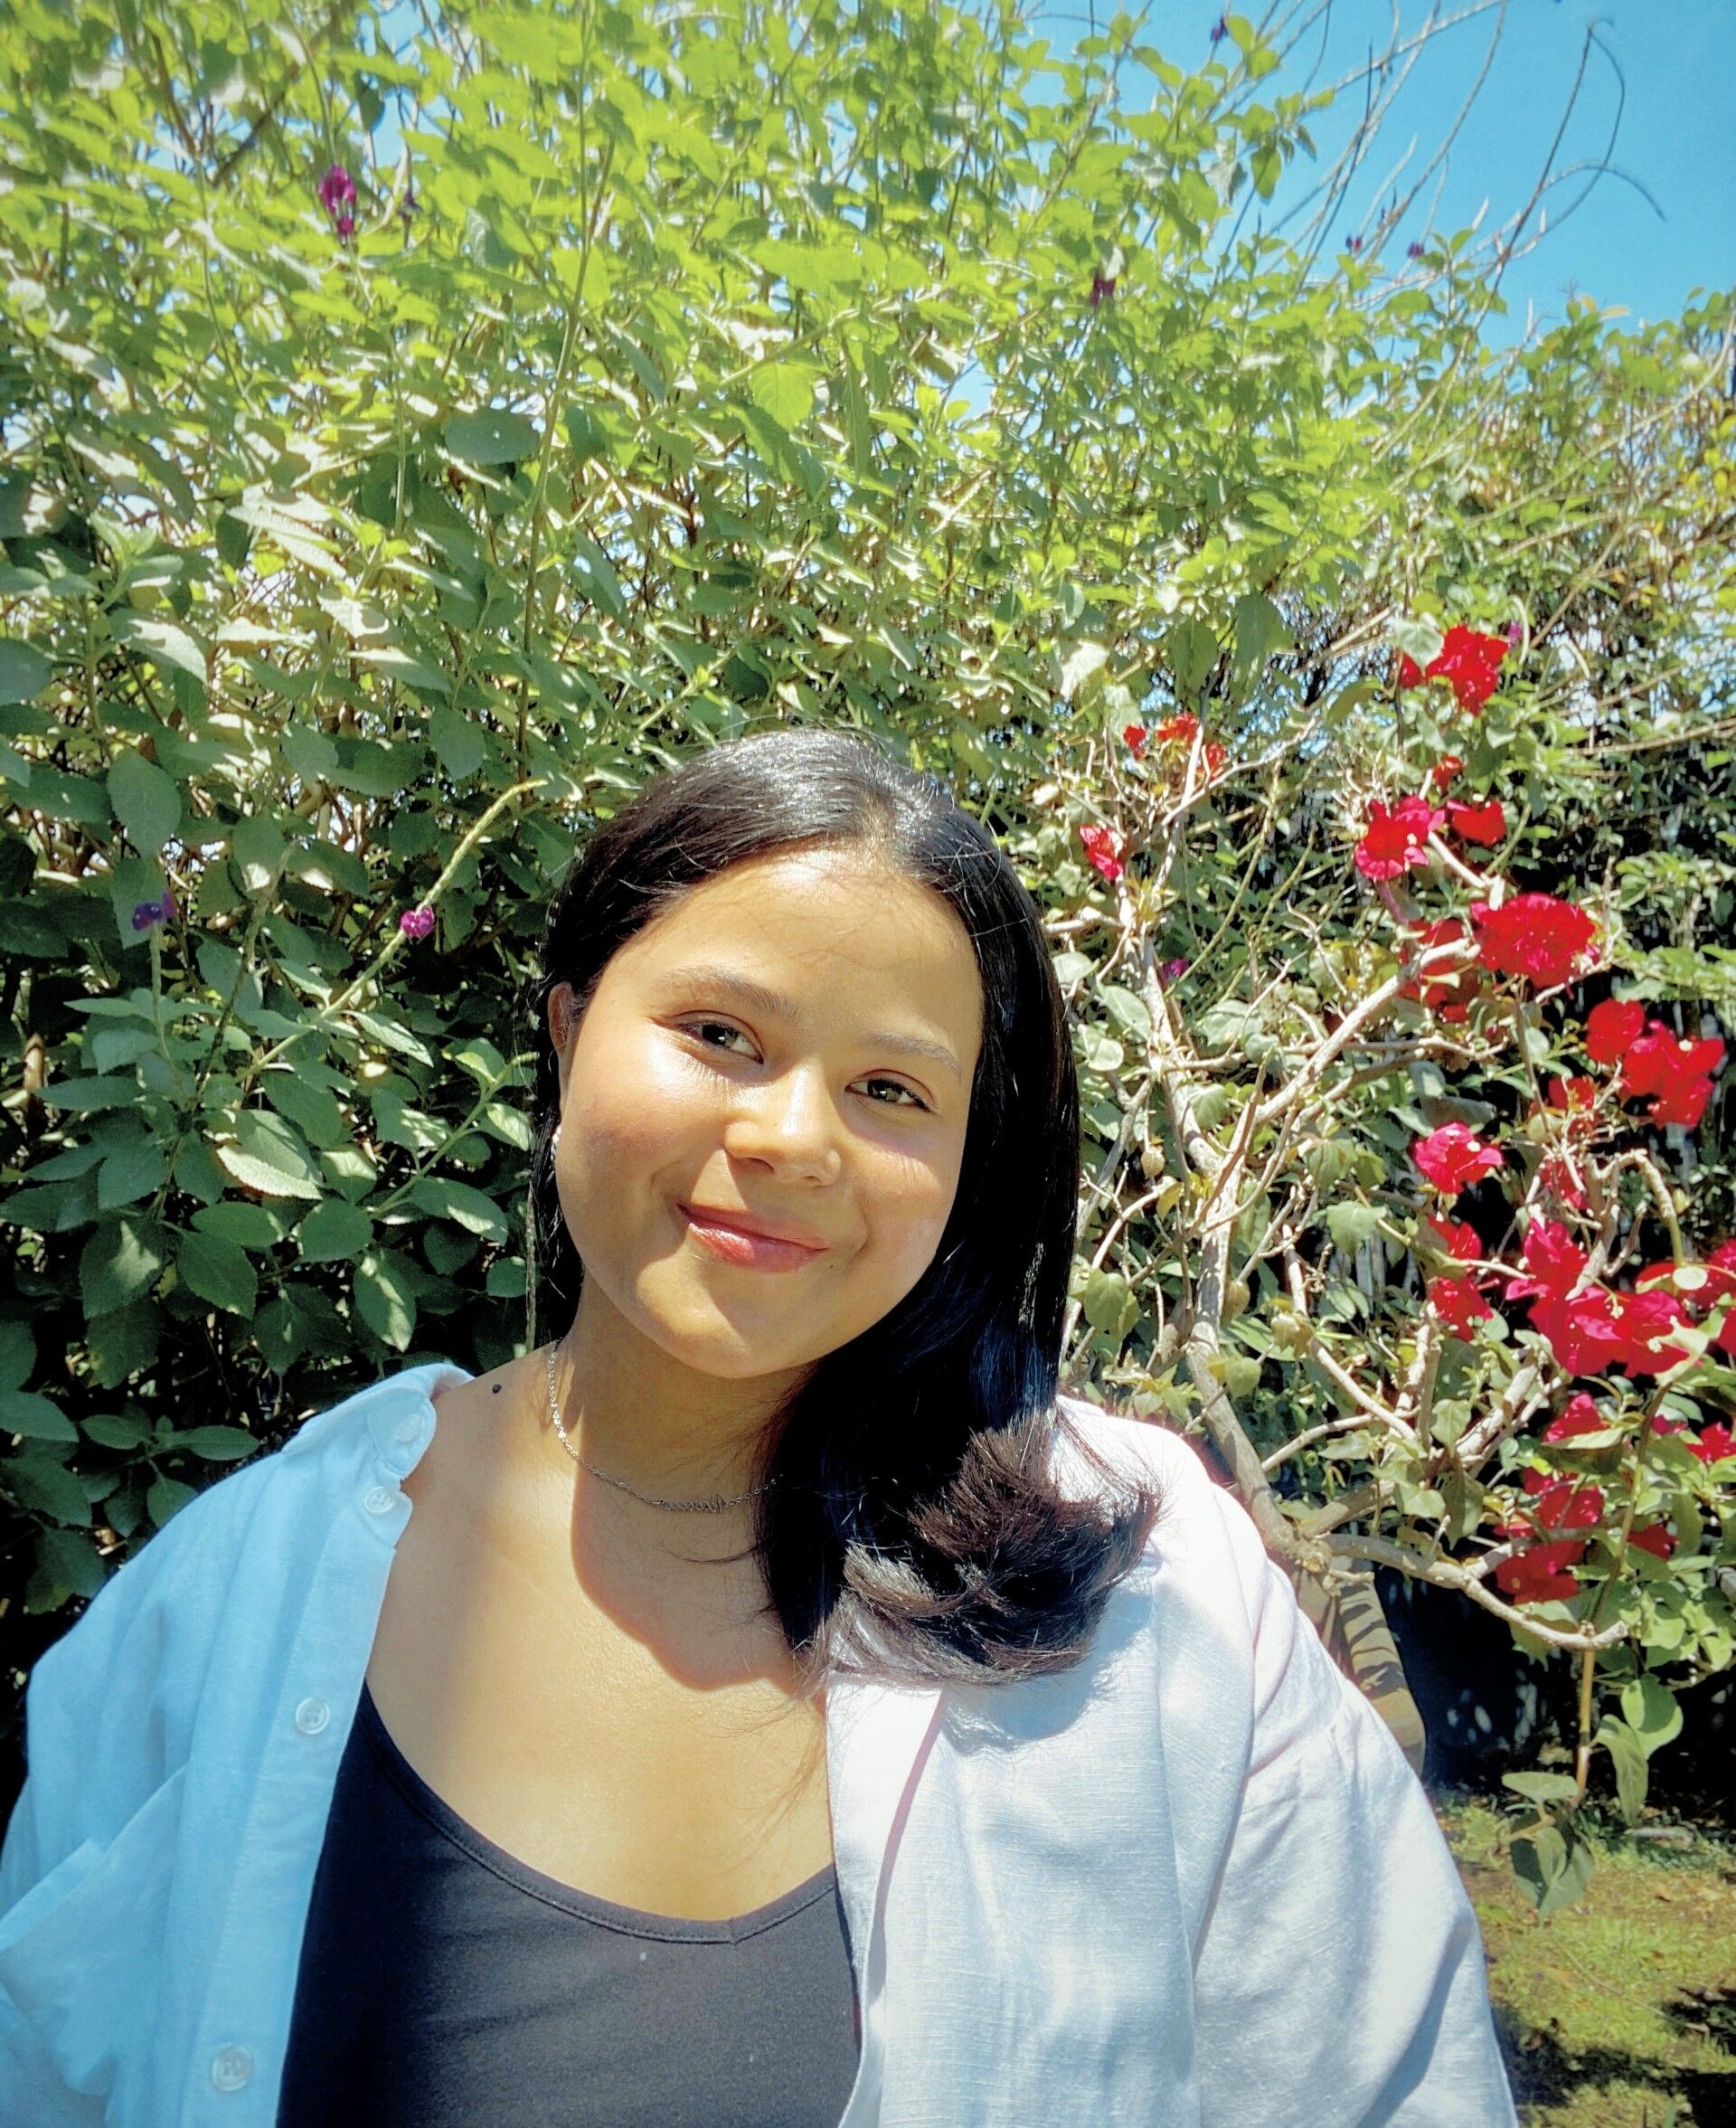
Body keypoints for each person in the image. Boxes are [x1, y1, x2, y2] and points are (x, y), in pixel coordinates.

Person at [0, 727, 1520, 2126]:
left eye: (889, 1087)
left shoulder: (1163, 1607)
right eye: (721, 1032)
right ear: (570, 1028)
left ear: (966, 1160)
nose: (790, 1137)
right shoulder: (232, 1595)